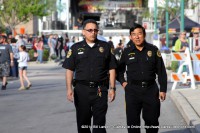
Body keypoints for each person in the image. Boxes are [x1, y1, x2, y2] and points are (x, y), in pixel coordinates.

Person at [62, 19, 117, 133]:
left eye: (95, 30)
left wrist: (112, 88)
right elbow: (69, 70)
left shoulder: (105, 47)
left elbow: (112, 68)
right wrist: (69, 89)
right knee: (83, 124)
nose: (93, 32)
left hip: (100, 89)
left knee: (99, 125)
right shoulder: (75, 48)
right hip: (82, 90)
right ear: (83, 32)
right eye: (90, 30)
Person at [117, 23, 167, 133]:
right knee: (133, 123)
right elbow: (119, 71)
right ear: (130, 37)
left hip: (150, 90)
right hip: (132, 91)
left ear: (144, 35)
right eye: (134, 34)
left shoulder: (153, 50)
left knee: (152, 122)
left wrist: (163, 89)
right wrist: (124, 84)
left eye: (139, 33)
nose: (137, 37)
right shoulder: (127, 51)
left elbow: (161, 71)